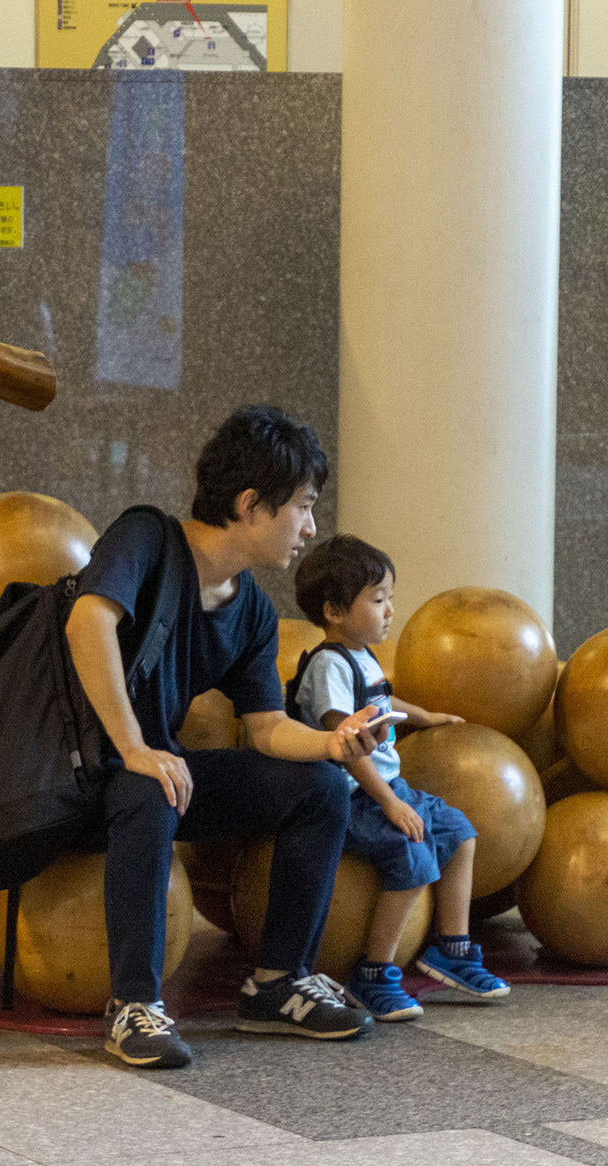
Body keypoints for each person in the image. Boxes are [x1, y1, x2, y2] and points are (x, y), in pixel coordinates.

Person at [67, 405, 389, 1069]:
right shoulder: (146, 538)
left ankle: (277, 983)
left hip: (157, 773)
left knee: (318, 787)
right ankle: (133, 1006)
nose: (311, 527)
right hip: (83, 767)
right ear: (250, 504)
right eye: (302, 505)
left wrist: (334, 746)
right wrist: (134, 745)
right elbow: (87, 623)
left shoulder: (252, 611)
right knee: (151, 780)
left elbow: (267, 730)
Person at [288, 533, 511, 1021]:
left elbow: (383, 703)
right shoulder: (328, 666)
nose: (390, 610)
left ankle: (452, 948)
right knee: (412, 860)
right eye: (378, 599)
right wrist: (389, 803)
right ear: (334, 610)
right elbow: (344, 747)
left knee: (459, 833)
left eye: (390, 598)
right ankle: (374, 974)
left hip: (388, 787)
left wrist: (425, 716)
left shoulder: (362, 656)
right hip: (351, 797)